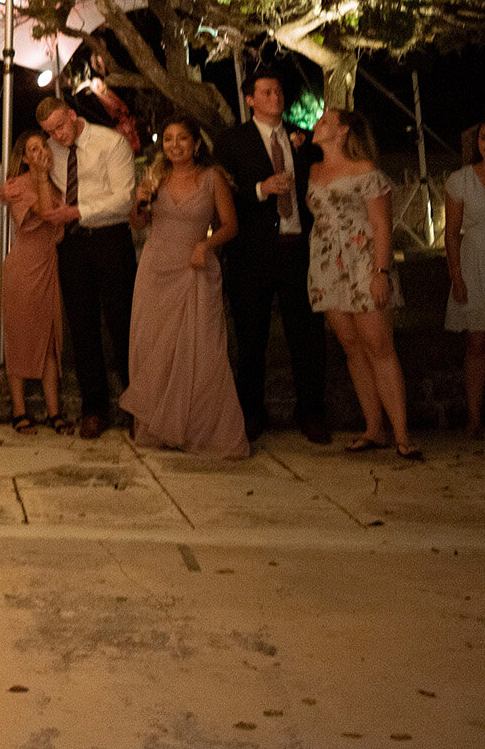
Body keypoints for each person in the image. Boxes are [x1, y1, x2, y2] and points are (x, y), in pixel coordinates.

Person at [118, 119, 246, 458]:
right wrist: (139, 200)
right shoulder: (154, 176)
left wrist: (206, 246)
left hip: (195, 268)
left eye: (182, 139)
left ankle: (200, 429)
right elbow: (138, 222)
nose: (175, 145)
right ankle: (157, 426)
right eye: (169, 139)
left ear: (196, 144)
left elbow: (230, 225)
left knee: (202, 350)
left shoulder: (212, 178)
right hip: (156, 268)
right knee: (154, 346)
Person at [214, 69, 330, 443]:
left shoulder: (303, 137)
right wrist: (260, 189)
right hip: (252, 254)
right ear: (250, 100)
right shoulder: (232, 141)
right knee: (251, 339)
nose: (275, 97)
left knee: (307, 337)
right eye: (266, 92)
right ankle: (251, 412)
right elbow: (223, 194)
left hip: (298, 248)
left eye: (278, 91)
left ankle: (310, 412)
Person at [307, 108, 418, 460]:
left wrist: (381, 273)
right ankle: (374, 428)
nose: (316, 125)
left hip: (363, 261)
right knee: (351, 345)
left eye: (324, 121)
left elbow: (382, 225)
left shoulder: (367, 172)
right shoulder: (313, 170)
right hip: (327, 262)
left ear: (341, 131)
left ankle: (402, 433)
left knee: (378, 344)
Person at [37, 95, 139, 439]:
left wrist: (77, 211)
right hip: (74, 245)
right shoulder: (53, 150)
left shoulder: (109, 142)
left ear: (72, 115)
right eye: (50, 132)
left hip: (110, 238)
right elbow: (39, 177)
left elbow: (125, 198)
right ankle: (94, 408)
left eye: (61, 127)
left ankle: (137, 405)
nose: (59, 136)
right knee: (82, 327)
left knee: (123, 322)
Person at [0, 131, 68, 433]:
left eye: (44, 147)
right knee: (20, 337)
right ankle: (19, 410)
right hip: (24, 269)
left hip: (48, 266)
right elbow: (45, 212)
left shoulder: (58, 184)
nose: (41, 153)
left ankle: (54, 411)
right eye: (33, 149)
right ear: (24, 158)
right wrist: (39, 175)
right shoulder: (19, 186)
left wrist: (48, 177)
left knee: (48, 341)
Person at [444, 118, 485, 438]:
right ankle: (474, 416)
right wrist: (456, 272)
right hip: (477, 262)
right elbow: (452, 232)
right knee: (478, 340)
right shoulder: (461, 180)